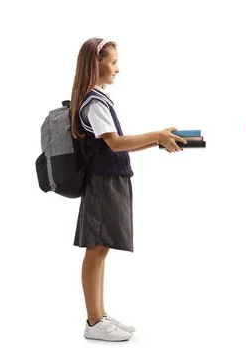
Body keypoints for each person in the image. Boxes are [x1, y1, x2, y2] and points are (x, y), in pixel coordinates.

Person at [70, 38, 186, 341]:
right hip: (102, 183)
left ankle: (99, 317)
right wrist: (155, 135)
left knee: (101, 248)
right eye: (113, 62)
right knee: (95, 249)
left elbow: (117, 146)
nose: (117, 69)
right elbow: (115, 143)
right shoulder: (94, 102)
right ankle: (94, 322)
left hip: (111, 181)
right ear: (96, 63)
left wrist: (158, 139)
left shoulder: (99, 99)